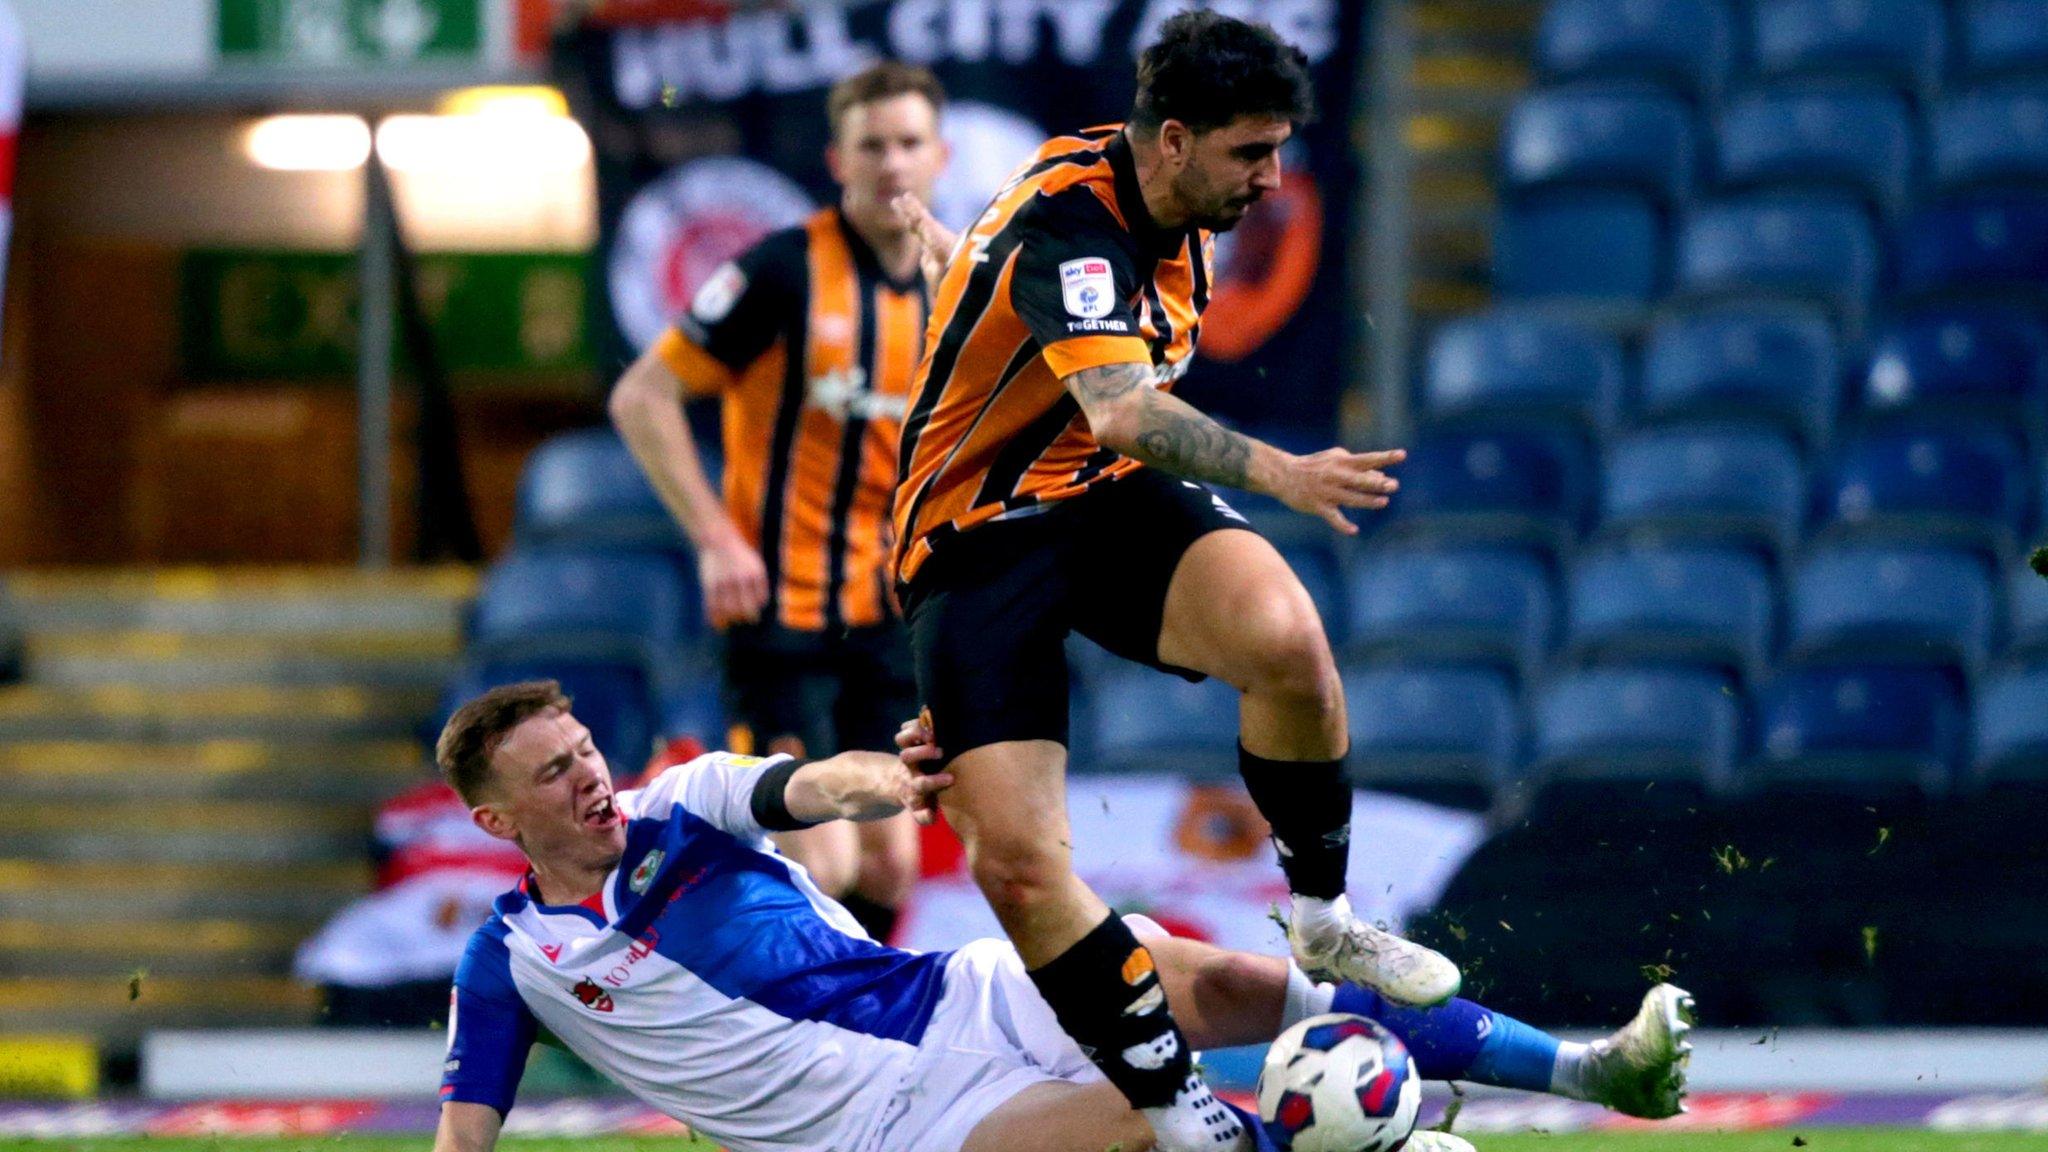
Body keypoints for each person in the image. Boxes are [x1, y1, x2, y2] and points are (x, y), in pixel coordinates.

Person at [888, 13, 1456, 1146]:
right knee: (1014, 863)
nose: (1271, 177)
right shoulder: (1075, 225)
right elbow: (1124, 408)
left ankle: (1321, 916)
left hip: (1094, 495)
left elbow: (1073, 371)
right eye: (1251, 152)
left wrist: (960, 268)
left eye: (1281, 148)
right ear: (1175, 139)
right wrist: (1285, 474)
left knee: (1285, 637)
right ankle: (1169, 1103)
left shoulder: (1175, 204)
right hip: (976, 535)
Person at [429, 682, 1695, 1152]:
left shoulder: (685, 804)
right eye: (553, 773)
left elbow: (814, 784)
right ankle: (1387, 1147)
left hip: (948, 994)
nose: (589, 777)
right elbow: (464, 1132)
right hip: (877, 1129)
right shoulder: (509, 963)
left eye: (584, 748)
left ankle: (1594, 1068)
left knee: (1213, 980)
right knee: (1153, 1127)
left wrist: (895, 776)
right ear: (498, 822)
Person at [608, 61, 949, 942]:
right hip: (780, 615)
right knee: (823, 852)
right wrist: (717, 536)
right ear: (837, 159)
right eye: (871, 145)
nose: (892, 163)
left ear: (939, 154)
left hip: (889, 619)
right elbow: (641, 396)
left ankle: (861, 1031)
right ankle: (777, 1019)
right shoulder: (782, 270)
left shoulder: (958, 288)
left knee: (890, 859)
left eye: (909, 142)